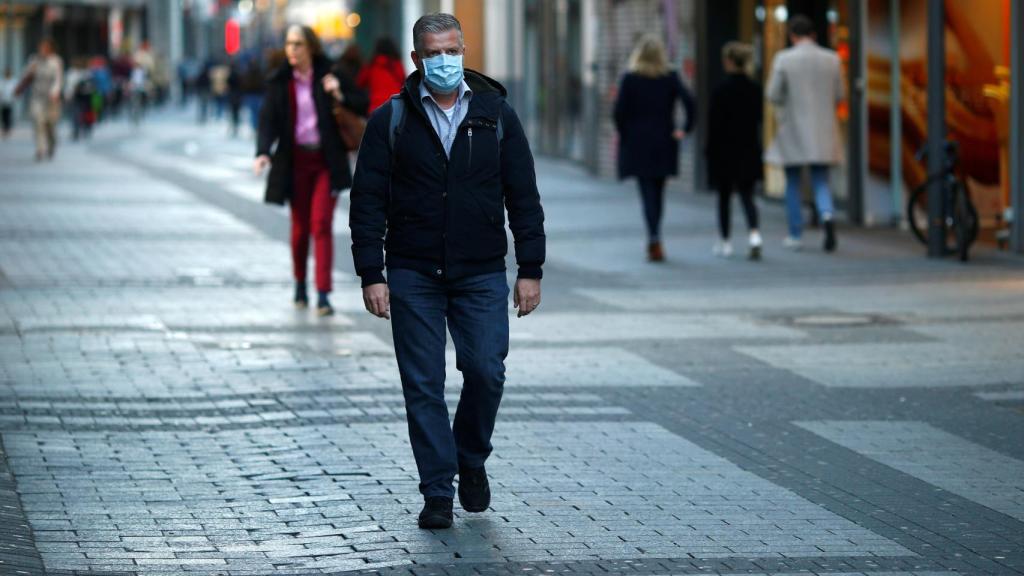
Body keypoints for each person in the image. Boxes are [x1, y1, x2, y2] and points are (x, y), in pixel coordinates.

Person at [349, 13, 545, 529]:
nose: (443, 61)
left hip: (480, 271)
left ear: (464, 51)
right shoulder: (389, 121)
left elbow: (523, 196)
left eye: (451, 51)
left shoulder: (495, 114)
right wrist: (372, 272)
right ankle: (438, 491)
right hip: (413, 272)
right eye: (433, 54)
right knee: (423, 384)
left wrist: (531, 267)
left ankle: (471, 457)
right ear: (416, 60)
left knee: (486, 370)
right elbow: (366, 201)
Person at [255, 25, 351, 316]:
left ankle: (323, 293)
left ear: (310, 47)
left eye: (297, 44)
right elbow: (268, 120)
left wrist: (339, 93)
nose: (291, 49)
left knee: (321, 224)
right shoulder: (280, 81)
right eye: (288, 44)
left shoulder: (330, 74)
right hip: (295, 163)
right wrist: (262, 152)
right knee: (300, 229)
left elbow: (360, 102)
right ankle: (300, 283)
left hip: (325, 161)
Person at [765, 14, 844, 252]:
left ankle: (795, 233)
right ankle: (827, 215)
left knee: (793, 182)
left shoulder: (784, 59)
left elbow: (773, 94)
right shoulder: (832, 59)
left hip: (794, 128)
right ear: (814, 35)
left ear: (792, 36)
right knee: (821, 180)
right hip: (823, 128)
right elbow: (840, 94)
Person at [613, 35, 695, 262]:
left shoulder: (630, 78)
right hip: (664, 141)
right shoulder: (670, 77)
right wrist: (684, 129)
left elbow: (618, 112)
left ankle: (653, 235)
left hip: (638, 143)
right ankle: (655, 234)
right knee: (658, 191)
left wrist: (626, 133)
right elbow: (690, 102)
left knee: (646, 190)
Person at [707, 42, 763, 260]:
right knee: (747, 195)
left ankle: (725, 241)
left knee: (724, 197)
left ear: (728, 61)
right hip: (748, 147)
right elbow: (758, 118)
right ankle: (754, 234)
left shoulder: (720, 90)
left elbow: (713, 124)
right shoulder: (754, 88)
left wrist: (710, 151)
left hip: (724, 150)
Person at [17, 38, 63, 161]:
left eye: (45, 47)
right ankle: (40, 149)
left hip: (51, 98)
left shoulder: (56, 61)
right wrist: (30, 70)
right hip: (37, 97)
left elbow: (58, 79)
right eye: (41, 47)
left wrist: (55, 92)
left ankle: (51, 145)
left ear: (50, 49)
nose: (42, 50)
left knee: (50, 125)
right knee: (37, 121)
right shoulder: (34, 60)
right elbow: (25, 76)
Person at [357, 37, 406, 112]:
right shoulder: (397, 65)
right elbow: (405, 83)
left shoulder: (371, 65)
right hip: (396, 106)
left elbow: (359, 83)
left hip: (376, 107)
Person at [1, 68, 16, 139]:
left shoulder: (13, 81)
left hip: (10, 101)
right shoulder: (2, 81)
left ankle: (7, 129)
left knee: (8, 116)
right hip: (3, 101)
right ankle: (5, 129)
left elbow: (15, 90)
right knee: (4, 116)